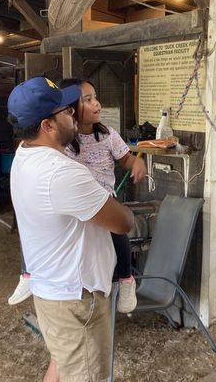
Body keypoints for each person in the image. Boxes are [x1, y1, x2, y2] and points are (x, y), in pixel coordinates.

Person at [7, 77, 134, 382]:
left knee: (62, 365)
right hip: (77, 300)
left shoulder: (24, 156)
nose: (74, 114)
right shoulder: (62, 173)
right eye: (66, 111)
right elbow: (123, 222)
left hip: (52, 291)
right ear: (47, 126)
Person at [61, 77, 146, 313]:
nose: (97, 104)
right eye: (87, 100)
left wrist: (136, 163)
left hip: (104, 199)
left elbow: (126, 159)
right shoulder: (65, 140)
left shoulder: (108, 134)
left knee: (119, 231)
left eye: (95, 97)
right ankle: (32, 273)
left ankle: (126, 279)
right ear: (70, 109)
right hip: (76, 201)